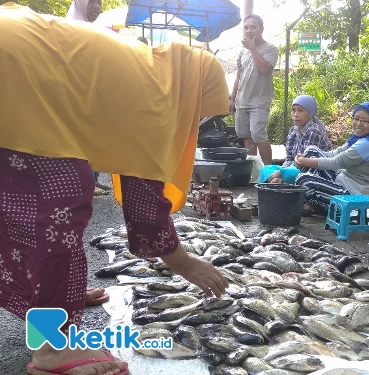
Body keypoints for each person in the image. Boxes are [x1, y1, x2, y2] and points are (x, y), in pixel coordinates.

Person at [0, 4, 229, 374]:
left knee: (22, 213)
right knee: (59, 211)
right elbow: (144, 208)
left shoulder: (150, 67)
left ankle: (52, 301)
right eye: (200, 109)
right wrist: (184, 263)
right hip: (13, 69)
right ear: (194, 90)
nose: (195, 119)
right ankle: (51, 350)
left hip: (14, 57)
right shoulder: (157, 95)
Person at [295, 102, 369, 215]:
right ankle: (315, 203)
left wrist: (303, 161)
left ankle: (318, 204)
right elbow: (334, 153)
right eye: (356, 119)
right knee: (312, 150)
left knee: (304, 179)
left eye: (365, 121)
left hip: (353, 195)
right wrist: (304, 158)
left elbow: (335, 162)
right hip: (341, 182)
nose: (359, 123)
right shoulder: (358, 139)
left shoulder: (368, 144)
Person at [65, 0, 112, 196]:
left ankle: (89, 181)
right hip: (75, 95)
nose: (98, 7)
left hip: (90, 94)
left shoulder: (91, 29)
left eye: (100, 4)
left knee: (90, 140)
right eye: (93, 3)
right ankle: (81, 183)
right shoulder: (71, 28)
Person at [229, 14, 278, 165]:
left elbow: (264, 68)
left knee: (258, 135)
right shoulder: (242, 52)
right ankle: (253, 171)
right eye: (246, 27)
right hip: (242, 101)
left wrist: (252, 48)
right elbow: (238, 76)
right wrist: (232, 98)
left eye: (253, 27)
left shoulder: (270, 48)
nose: (249, 30)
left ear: (261, 29)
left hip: (259, 101)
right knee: (246, 136)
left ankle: (269, 172)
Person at [259, 95, 333, 184]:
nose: (295, 114)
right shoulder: (293, 130)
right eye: (293, 110)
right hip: (294, 168)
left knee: (289, 175)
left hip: (312, 171)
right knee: (266, 169)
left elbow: (305, 161)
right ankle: (280, 182)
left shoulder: (314, 130)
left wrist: (281, 173)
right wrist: (282, 171)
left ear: (310, 114)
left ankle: (279, 183)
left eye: (300, 110)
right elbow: (289, 158)